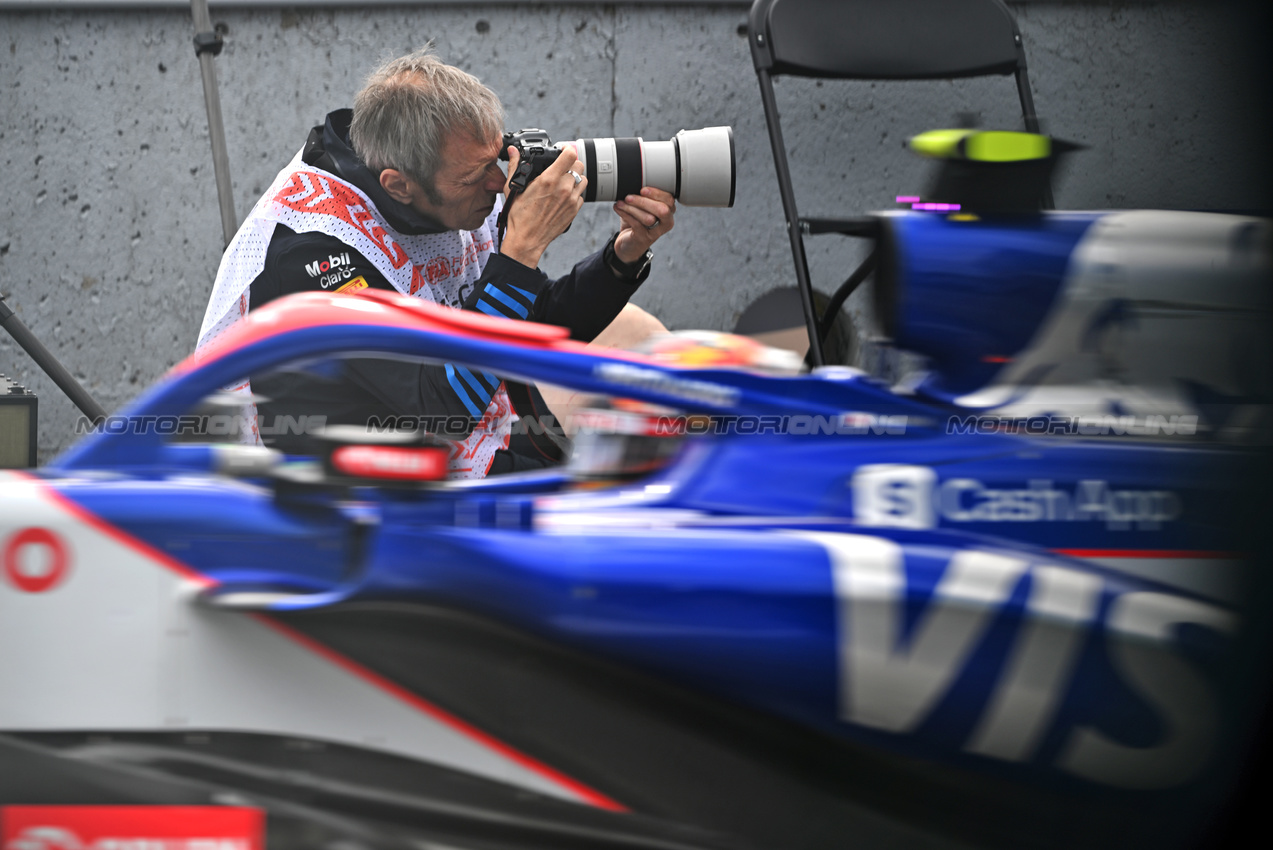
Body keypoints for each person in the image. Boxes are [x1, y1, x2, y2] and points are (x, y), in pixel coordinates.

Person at [196, 46, 674, 477]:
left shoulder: (448, 180)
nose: (497, 182)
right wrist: (520, 251)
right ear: (398, 183)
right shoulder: (316, 253)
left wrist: (622, 256)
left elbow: (531, 325)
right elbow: (445, 404)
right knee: (616, 501)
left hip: (446, 435)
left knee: (648, 360)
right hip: (347, 496)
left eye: (496, 160)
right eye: (477, 175)